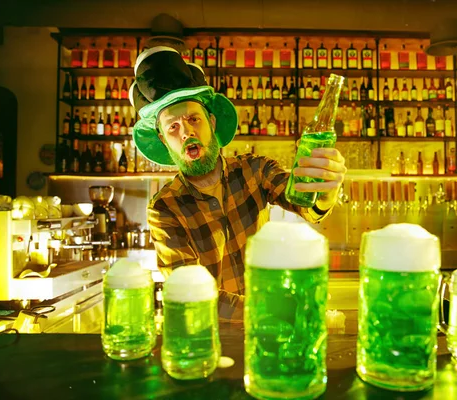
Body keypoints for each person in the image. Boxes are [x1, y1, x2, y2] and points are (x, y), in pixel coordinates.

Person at [129, 46, 346, 321]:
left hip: (266, 331)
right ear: (163, 140)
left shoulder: (254, 169)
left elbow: (304, 204)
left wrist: (325, 191)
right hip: (211, 337)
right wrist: (273, 311)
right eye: (173, 127)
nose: (186, 132)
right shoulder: (164, 208)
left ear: (212, 121)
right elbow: (189, 292)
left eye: (193, 119)